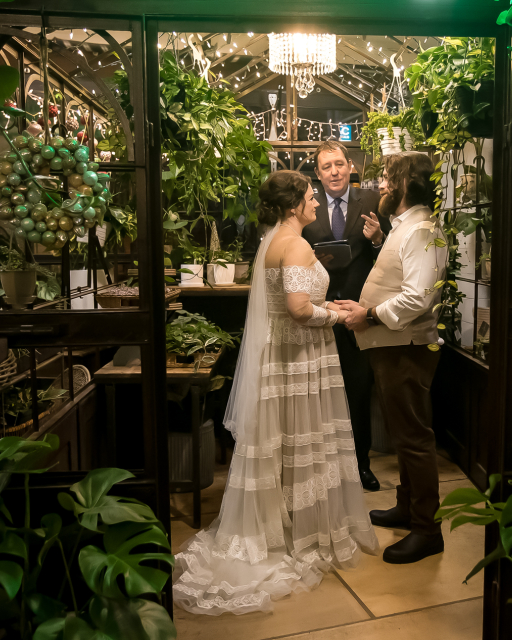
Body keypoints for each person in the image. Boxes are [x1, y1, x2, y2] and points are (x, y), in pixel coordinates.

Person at [173, 170, 379, 615]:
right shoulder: (298, 244)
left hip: (280, 361)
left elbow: (293, 303)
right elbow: (298, 310)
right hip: (300, 361)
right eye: (310, 197)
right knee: (302, 444)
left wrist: (331, 305)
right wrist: (339, 318)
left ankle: (281, 526)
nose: (318, 203)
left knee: (282, 446)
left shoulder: (271, 241)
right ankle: (302, 535)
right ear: (293, 207)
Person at [336, 152, 447, 565]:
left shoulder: (421, 230)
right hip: (392, 347)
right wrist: (361, 304)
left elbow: (420, 297)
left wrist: (366, 314)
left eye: (386, 178)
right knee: (403, 435)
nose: (380, 184)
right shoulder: (405, 227)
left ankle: (426, 529)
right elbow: (399, 281)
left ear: (404, 185)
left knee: (415, 439)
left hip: (407, 349)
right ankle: (407, 507)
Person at [303, 140, 390, 492]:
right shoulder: (306, 208)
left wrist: (377, 238)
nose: (335, 172)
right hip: (318, 311)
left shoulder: (371, 203)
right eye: (327, 167)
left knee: (357, 390)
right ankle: (321, 470)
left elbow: (388, 256)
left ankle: (361, 466)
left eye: (339, 164)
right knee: (317, 393)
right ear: (318, 175)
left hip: (358, 313)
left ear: (350, 166)